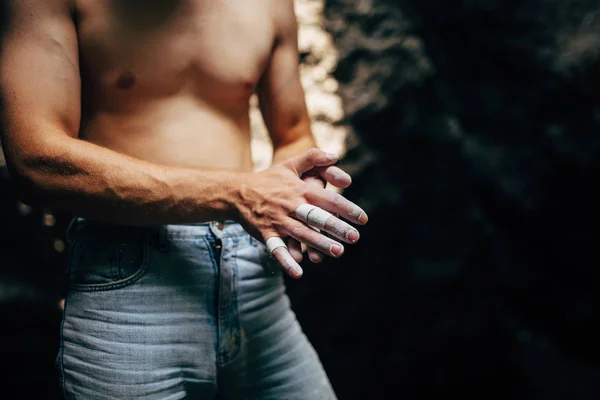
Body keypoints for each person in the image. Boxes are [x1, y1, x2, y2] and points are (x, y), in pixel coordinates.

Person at [0, 0, 368, 399]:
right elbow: (35, 160)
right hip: (129, 291)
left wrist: (301, 190)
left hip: (258, 286)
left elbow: (293, 131)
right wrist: (238, 194)